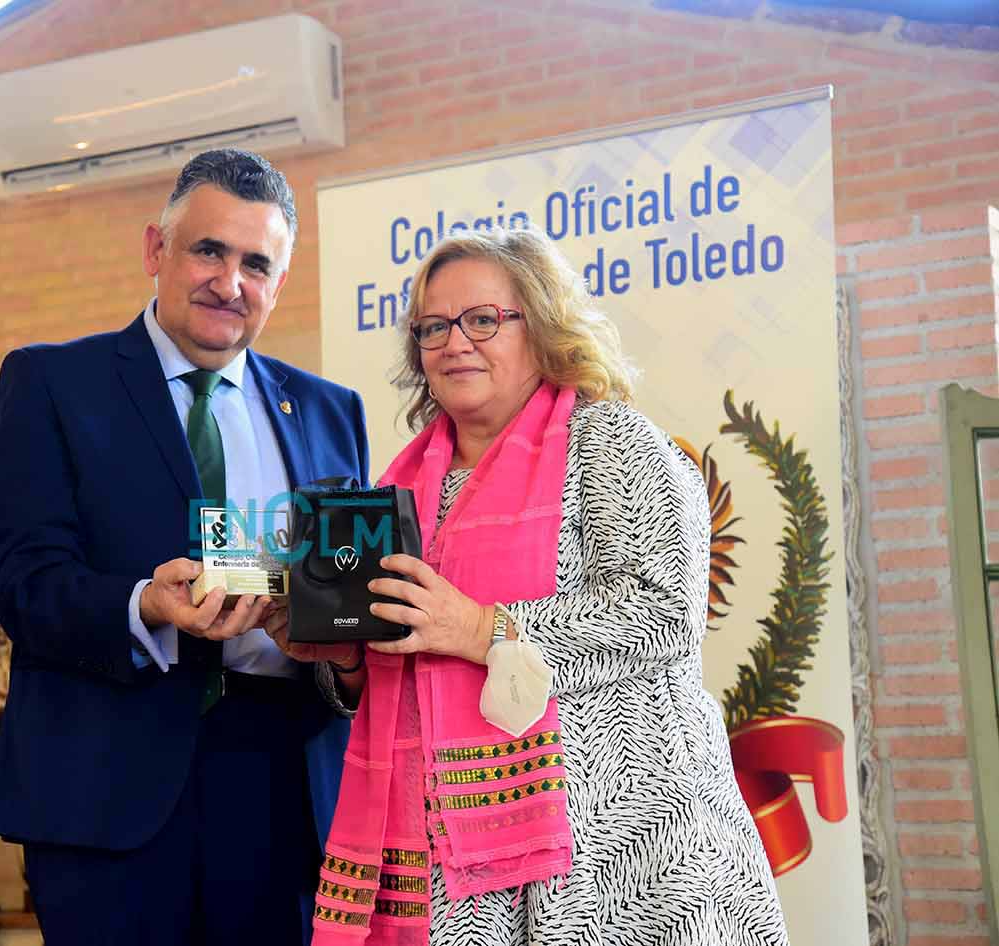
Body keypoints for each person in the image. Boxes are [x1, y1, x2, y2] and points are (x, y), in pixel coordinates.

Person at [287, 228, 789, 945]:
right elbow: (398, 672)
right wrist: (342, 657)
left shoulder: (612, 440)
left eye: (483, 319)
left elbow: (663, 614)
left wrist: (482, 628)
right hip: (454, 870)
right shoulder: (397, 489)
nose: (455, 343)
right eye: (433, 327)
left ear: (543, 325)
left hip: (621, 853)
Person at [0, 148, 370, 946]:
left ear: (279, 281)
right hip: (108, 789)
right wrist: (142, 604)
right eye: (208, 251)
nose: (230, 282)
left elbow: (348, 604)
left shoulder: (331, 412)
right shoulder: (54, 385)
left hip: (283, 789)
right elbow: (23, 577)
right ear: (156, 249)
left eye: (256, 263)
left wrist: (336, 644)